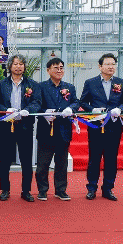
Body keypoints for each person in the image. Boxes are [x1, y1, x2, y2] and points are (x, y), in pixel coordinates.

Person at [79, 53, 123, 201]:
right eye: (107, 64)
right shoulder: (91, 83)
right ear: (100, 66)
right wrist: (92, 109)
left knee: (111, 158)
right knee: (94, 158)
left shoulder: (121, 83)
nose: (111, 67)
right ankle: (92, 188)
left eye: (113, 64)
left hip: (114, 126)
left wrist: (120, 109)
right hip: (96, 126)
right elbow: (83, 102)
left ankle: (108, 188)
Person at [0, 54, 41, 202]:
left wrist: (28, 109)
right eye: (15, 64)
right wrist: (5, 110)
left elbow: (37, 102)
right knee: (5, 160)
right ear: (10, 66)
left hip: (25, 126)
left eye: (21, 64)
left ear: (24, 66)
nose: (18, 66)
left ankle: (26, 191)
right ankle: (5, 190)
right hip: (6, 126)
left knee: (26, 160)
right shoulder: (1, 84)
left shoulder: (33, 84)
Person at [36, 58, 79, 201]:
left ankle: (60, 190)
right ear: (48, 70)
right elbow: (36, 104)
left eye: (61, 68)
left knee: (62, 163)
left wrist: (70, 108)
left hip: (63, 129)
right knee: (43, 164)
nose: (59, 70)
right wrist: (45, 113)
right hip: (46, 129)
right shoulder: (41, 87)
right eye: (56, 68)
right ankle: (42, 190)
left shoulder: (69, 87)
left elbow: (76, 102)